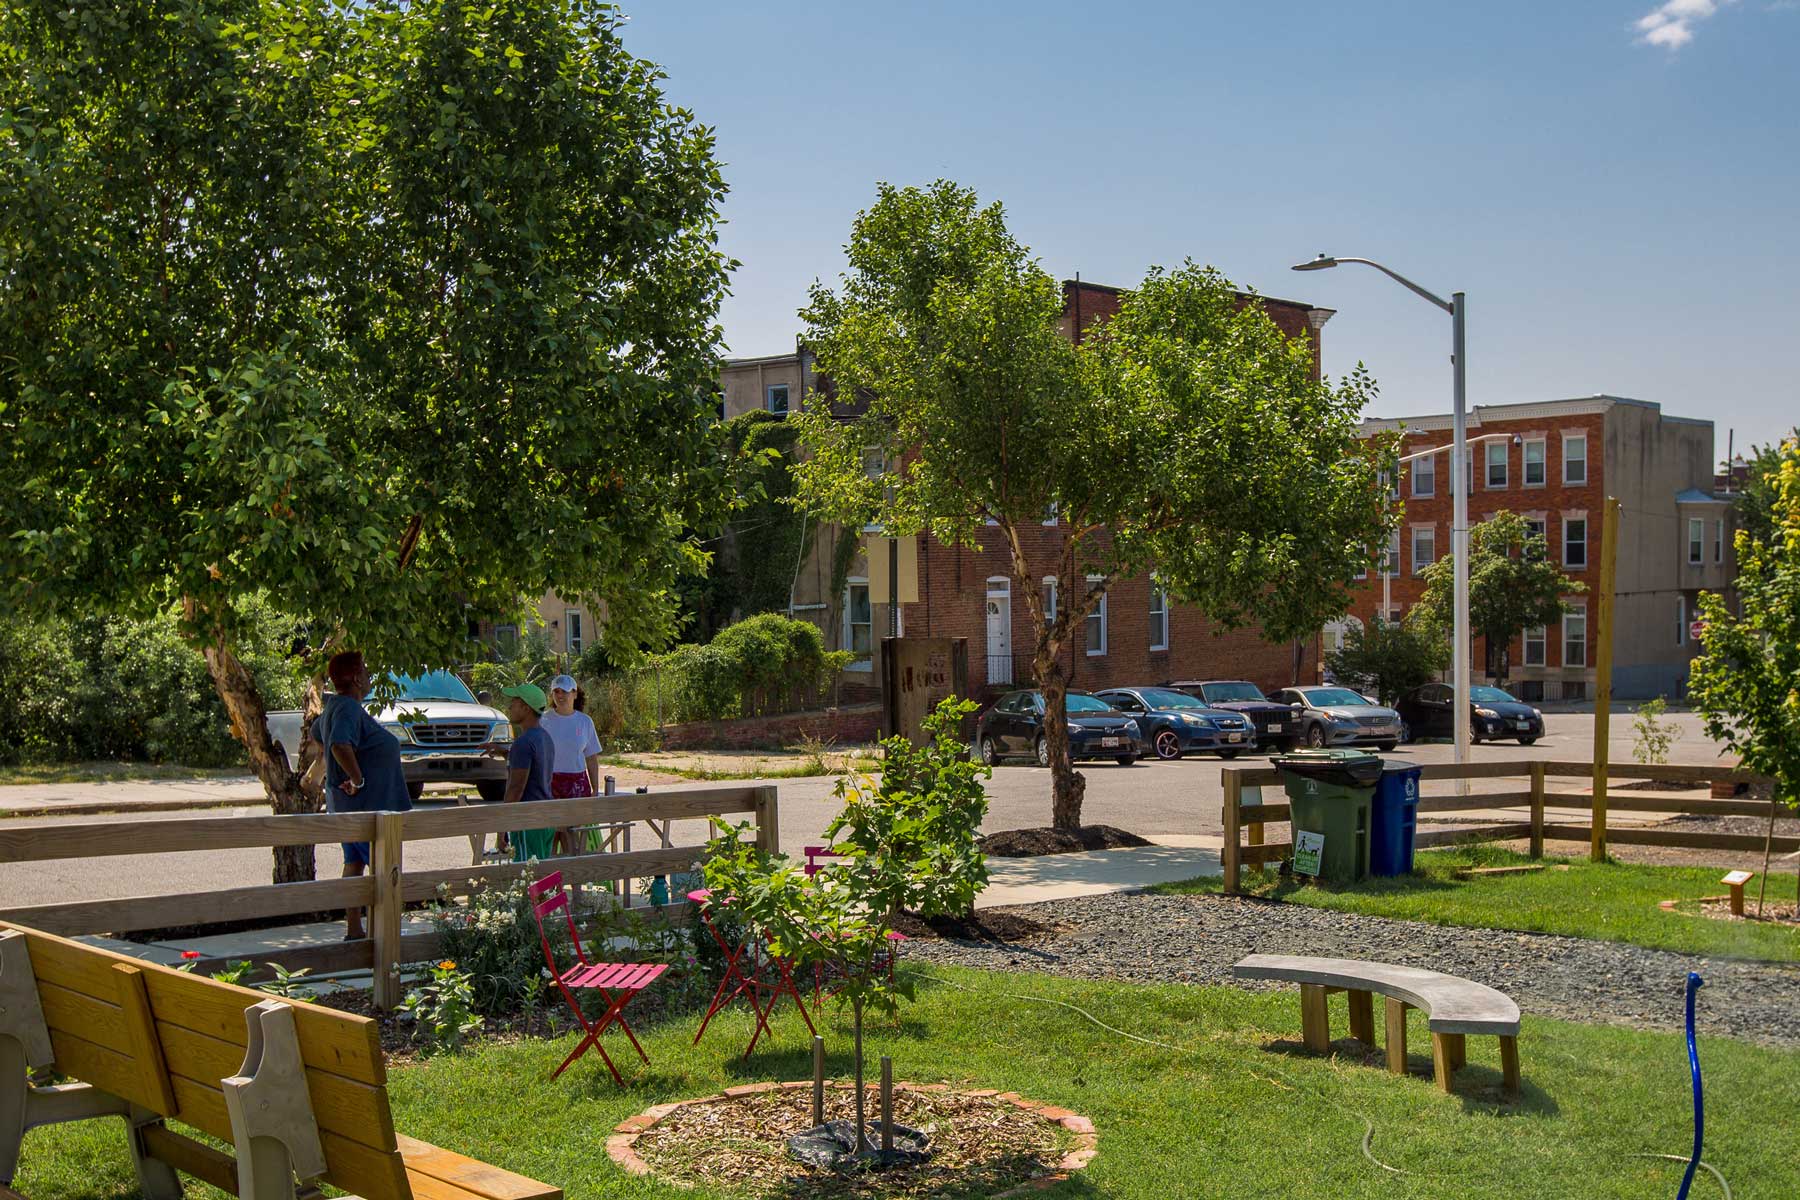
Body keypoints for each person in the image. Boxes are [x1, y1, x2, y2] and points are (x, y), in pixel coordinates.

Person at [313, 651, 411, 939]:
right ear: (356, 678)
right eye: (365, 671)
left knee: (354, 863)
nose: (368, 676)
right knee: (381, 868)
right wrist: (356, 778)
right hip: (368, 807)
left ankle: (356, 929)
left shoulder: (336, 707)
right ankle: (381, 933)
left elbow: (320, 735)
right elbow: (339, 745)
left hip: (353, 806)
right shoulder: (347, 708)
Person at [541, 674, 603, 852]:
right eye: (557, 692)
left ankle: (575, 879)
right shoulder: (543, 720)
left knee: (572, 838)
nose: (561, 696)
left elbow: (591, 758)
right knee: (550, 838)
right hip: (549, 784)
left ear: (575, 694)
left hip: (577, 785)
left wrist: (595, 789)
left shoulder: (585, 722)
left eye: (566, 692)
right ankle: (551, 879)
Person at [497, 682, 556, 863]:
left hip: (527, 820)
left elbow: (516, 789)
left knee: (528, 878)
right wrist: (505, 753)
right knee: (542, 877)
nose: (510, 707)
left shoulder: (522, 743)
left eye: (514, 702)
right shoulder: (544, 737)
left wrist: (502, 828)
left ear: (525, 707)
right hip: (545, 817)